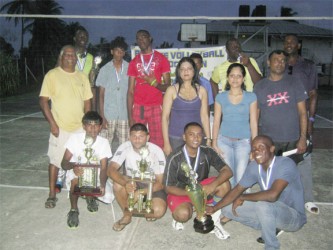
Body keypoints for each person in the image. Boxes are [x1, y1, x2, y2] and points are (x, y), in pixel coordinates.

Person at [206, 135, 307, 250]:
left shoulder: (285, 164)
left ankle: (271, 246)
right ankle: (268, 225)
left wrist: (243, 197)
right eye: (254, 149)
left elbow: (272, 195)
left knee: (264, 205)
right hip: (270, 210)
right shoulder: (255, 166)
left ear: (272, 149)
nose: (256, 151)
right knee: (227, 209)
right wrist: (215, 208)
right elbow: (237, 189)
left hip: (292, 216)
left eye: (261, 147)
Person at [39, 45, 93, 208]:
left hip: (79, 128)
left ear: (76, 59)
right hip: (60, 128)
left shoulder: (82, 77)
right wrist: (53, 124)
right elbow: (43, 101)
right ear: (61, 57)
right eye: (67, 54)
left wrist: (87, 124)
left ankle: (87, 191)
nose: (70, 57)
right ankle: (52, 194)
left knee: (84, 161)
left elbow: (87, 102)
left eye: (73, 55)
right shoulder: (52, 75)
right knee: (55, 161)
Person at [164, 122, 233, 239]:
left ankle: (214, 218)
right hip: (182, 191)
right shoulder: (175, 157)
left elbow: (228, 171)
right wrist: (192, 194)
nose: (196, 138)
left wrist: (212, 185)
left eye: (199, 135)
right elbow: (168, 187)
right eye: (191, 134)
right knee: (183, 215)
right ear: (184, 137)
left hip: (201, 188)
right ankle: (185, 213)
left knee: (224, 185)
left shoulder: (207, 151)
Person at [283, 34, 319, 214]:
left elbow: (313, 94)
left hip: (302, 120)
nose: (288, 44)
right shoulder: (279, 64)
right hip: (283, 120)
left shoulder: (308, 66)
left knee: (304, 158)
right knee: (283, 159)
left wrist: (311, 120)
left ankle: (308, 199)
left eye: (292, 42)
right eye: (286, 42)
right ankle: (285, 198)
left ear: (298, 46)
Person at [108, 123, 167, 232]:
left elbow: (160, 184)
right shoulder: (125, 147)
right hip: (133, 182)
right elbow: (111, 170)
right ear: (129, 137)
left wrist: (140, 193)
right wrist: (125, 183)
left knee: (158, 211)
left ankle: (144, 203)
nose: (137, 140)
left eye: (141, 136)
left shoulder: (157, 151)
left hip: (151, 184)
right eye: (134, 136)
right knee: (117, 184)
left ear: (148, 137)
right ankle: (127, 214)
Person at [254, 50, 308, 163]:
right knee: (270, 175)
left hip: (292, 140)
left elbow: (303, 112)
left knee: (290, 174)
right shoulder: (259, 87)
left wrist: (303, 137)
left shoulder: (295, 82)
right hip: (268, 141)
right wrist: (255, 141)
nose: (280, 63)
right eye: (276, 60)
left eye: (283, 60)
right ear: (268, 62)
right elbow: (255, 117)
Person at [61, 111, 112, 228]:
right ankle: (74, 210)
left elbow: (104, 168)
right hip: (77, 171)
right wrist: (74, 166)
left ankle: (90, 198)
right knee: (75, 180)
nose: (93, 128)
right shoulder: (74, 139)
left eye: (96, 125)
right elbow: (64, 163)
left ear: (100, 127)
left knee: (106, 193)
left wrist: (103, 184)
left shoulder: (104, 142)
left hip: (96, 173)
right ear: (84, 126)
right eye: (89, 124)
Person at [212, 63, 258, 187]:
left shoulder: (251, 97)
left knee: (241, 177)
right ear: (227, 78)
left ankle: (241, 203)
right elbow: (216, 121)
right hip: (224, 141)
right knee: (228, 176)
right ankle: (229, 203)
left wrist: (254, 146)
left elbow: (253, 123)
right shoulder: (220, 97)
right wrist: (214, 142)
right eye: (232, 76)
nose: (235, 79)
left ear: (243, 78)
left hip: (243, 142)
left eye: (238, 76)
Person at [127, 29, 171, 149]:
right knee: (137, 140)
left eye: (143, 37)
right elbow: (130, 91)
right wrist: (130, 117)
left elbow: (168, 87)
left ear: (150, 38)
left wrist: (154, 83)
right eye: (138, 38)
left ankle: (157, 166)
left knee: (159, 141)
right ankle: (137, 166)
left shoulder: (161, 59)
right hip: (138, 106)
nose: (141, 40)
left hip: (156, 106)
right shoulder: (134, 62)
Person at [162, 57, 211, 156]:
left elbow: (205, 117)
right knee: (177, 169)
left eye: (189, 68)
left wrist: (209, 139)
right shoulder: (171, 90)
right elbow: (164, 118)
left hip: (196, 138)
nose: (186, 71)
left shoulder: (202, 91)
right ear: (178, 72)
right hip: (175, 138)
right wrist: (166, 143)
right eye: (182, 69)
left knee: (196, 169)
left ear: (194, 71)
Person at [96, 37, 129, 150]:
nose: (119, 52)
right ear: (111, 51)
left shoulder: (130, 68)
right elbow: (100, 94)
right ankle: (103, 167)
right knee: (104, 145)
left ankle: (124, 167)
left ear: (124, 53)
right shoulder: (105, 69)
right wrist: (102, 116)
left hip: (125, 114)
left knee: (125, 146)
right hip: (108, 113)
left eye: (122, 50)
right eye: (117, 50)